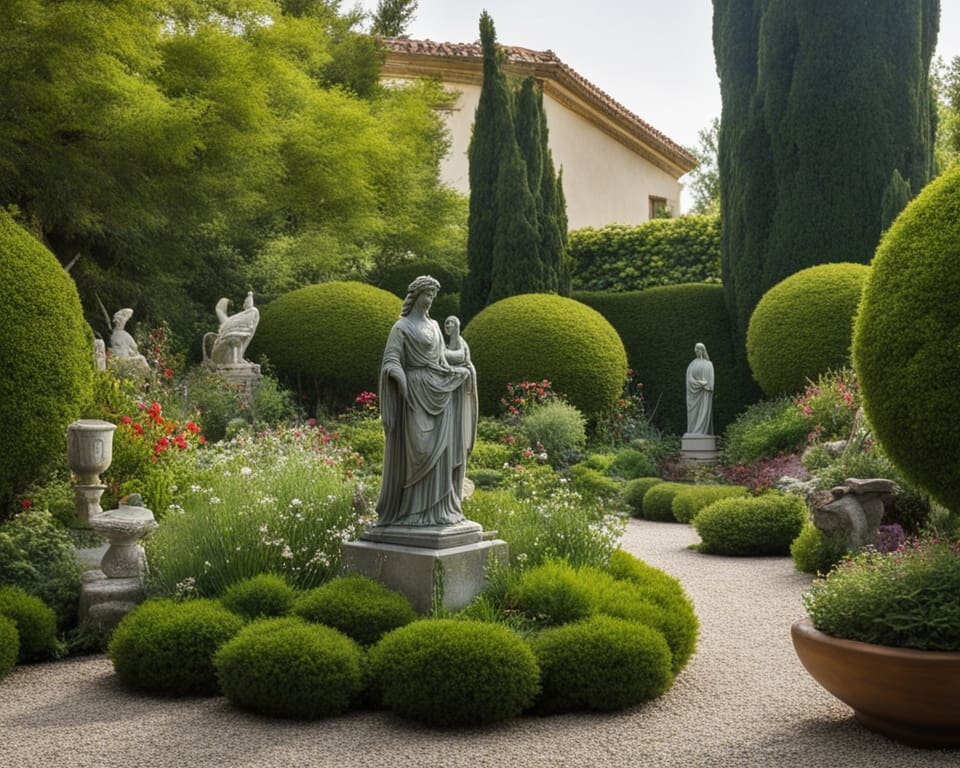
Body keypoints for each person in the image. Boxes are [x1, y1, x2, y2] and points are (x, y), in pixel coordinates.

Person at [374, 277, 476, 527]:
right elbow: (391, 359)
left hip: (439, 390)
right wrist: (399, 376)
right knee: (420, 449)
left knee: (442, 453)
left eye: (433, 294)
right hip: (415, 393)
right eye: (427, 293)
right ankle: (412, 511)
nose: (430, 299)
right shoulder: (402, 327)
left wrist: (464, 367)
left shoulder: (433, 326)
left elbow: (442, 359)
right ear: (416, 296)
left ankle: (440, 509)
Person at [204, 291, 259, 366]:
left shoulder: (251, 312)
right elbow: (220, 312)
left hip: (227, 349)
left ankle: (237, 361)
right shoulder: (232, 322)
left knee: (236, 341)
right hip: (223, 351)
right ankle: (235, 361)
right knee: (234, 340)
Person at [685, 342, 714, 436]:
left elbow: (710, 382)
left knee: (704, 413)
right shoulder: (692, 364)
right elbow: (689, 380)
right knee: (693, 414)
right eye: (695, 349)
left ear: (702, 350)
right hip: (694, 394)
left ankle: (701, 432)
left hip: (705, 393)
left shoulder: (709, 364)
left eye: (698, 349)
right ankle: (693, 431)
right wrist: (700, 383)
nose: (696, 351)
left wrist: (706, 386)